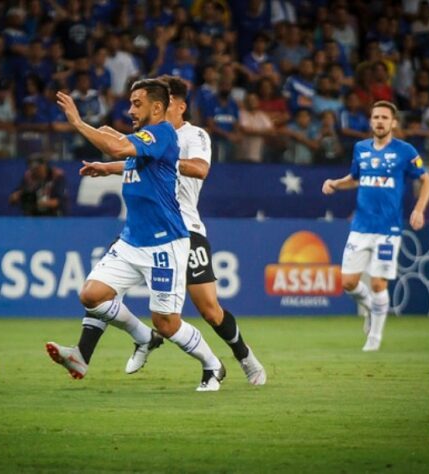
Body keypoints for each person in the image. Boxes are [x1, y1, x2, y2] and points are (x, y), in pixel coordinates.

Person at [77, 76, 267, 385]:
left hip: (185, 228)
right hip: (147, 227)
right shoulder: (148, 136)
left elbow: (200, 169)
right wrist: (111, 166)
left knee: (209, 310)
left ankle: (244, 355)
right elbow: (133, 158)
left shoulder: (193, 135)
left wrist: (162, 158)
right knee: (103, 288)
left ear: (177, 106)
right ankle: (101, 350)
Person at [48, 79, 226, 391]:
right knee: (91, 295)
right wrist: (108, 164)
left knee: (167, 323)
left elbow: (118, 145)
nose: (130, 109)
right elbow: (123, 148)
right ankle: (142, 336)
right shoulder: (145, 139)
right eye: (130, 103)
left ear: (157, 108)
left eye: (137, 103)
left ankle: (212, 365)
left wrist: (77, 123)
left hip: (165, 243)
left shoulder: (162, 133)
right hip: (133, 241)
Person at [321, 100, 429, 352]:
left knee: (378, 283)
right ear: (371, 122)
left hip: (388, 230)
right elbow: (355, 179)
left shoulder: (405, 151)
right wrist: (335, 183)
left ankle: (374, 339)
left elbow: (426, 180)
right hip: (360, 227)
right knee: (348, 282)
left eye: (384, 117)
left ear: (393, 122)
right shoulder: (361, 148)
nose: (380, 121)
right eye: (376, 117)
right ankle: (372, 309)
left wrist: (418, 209)